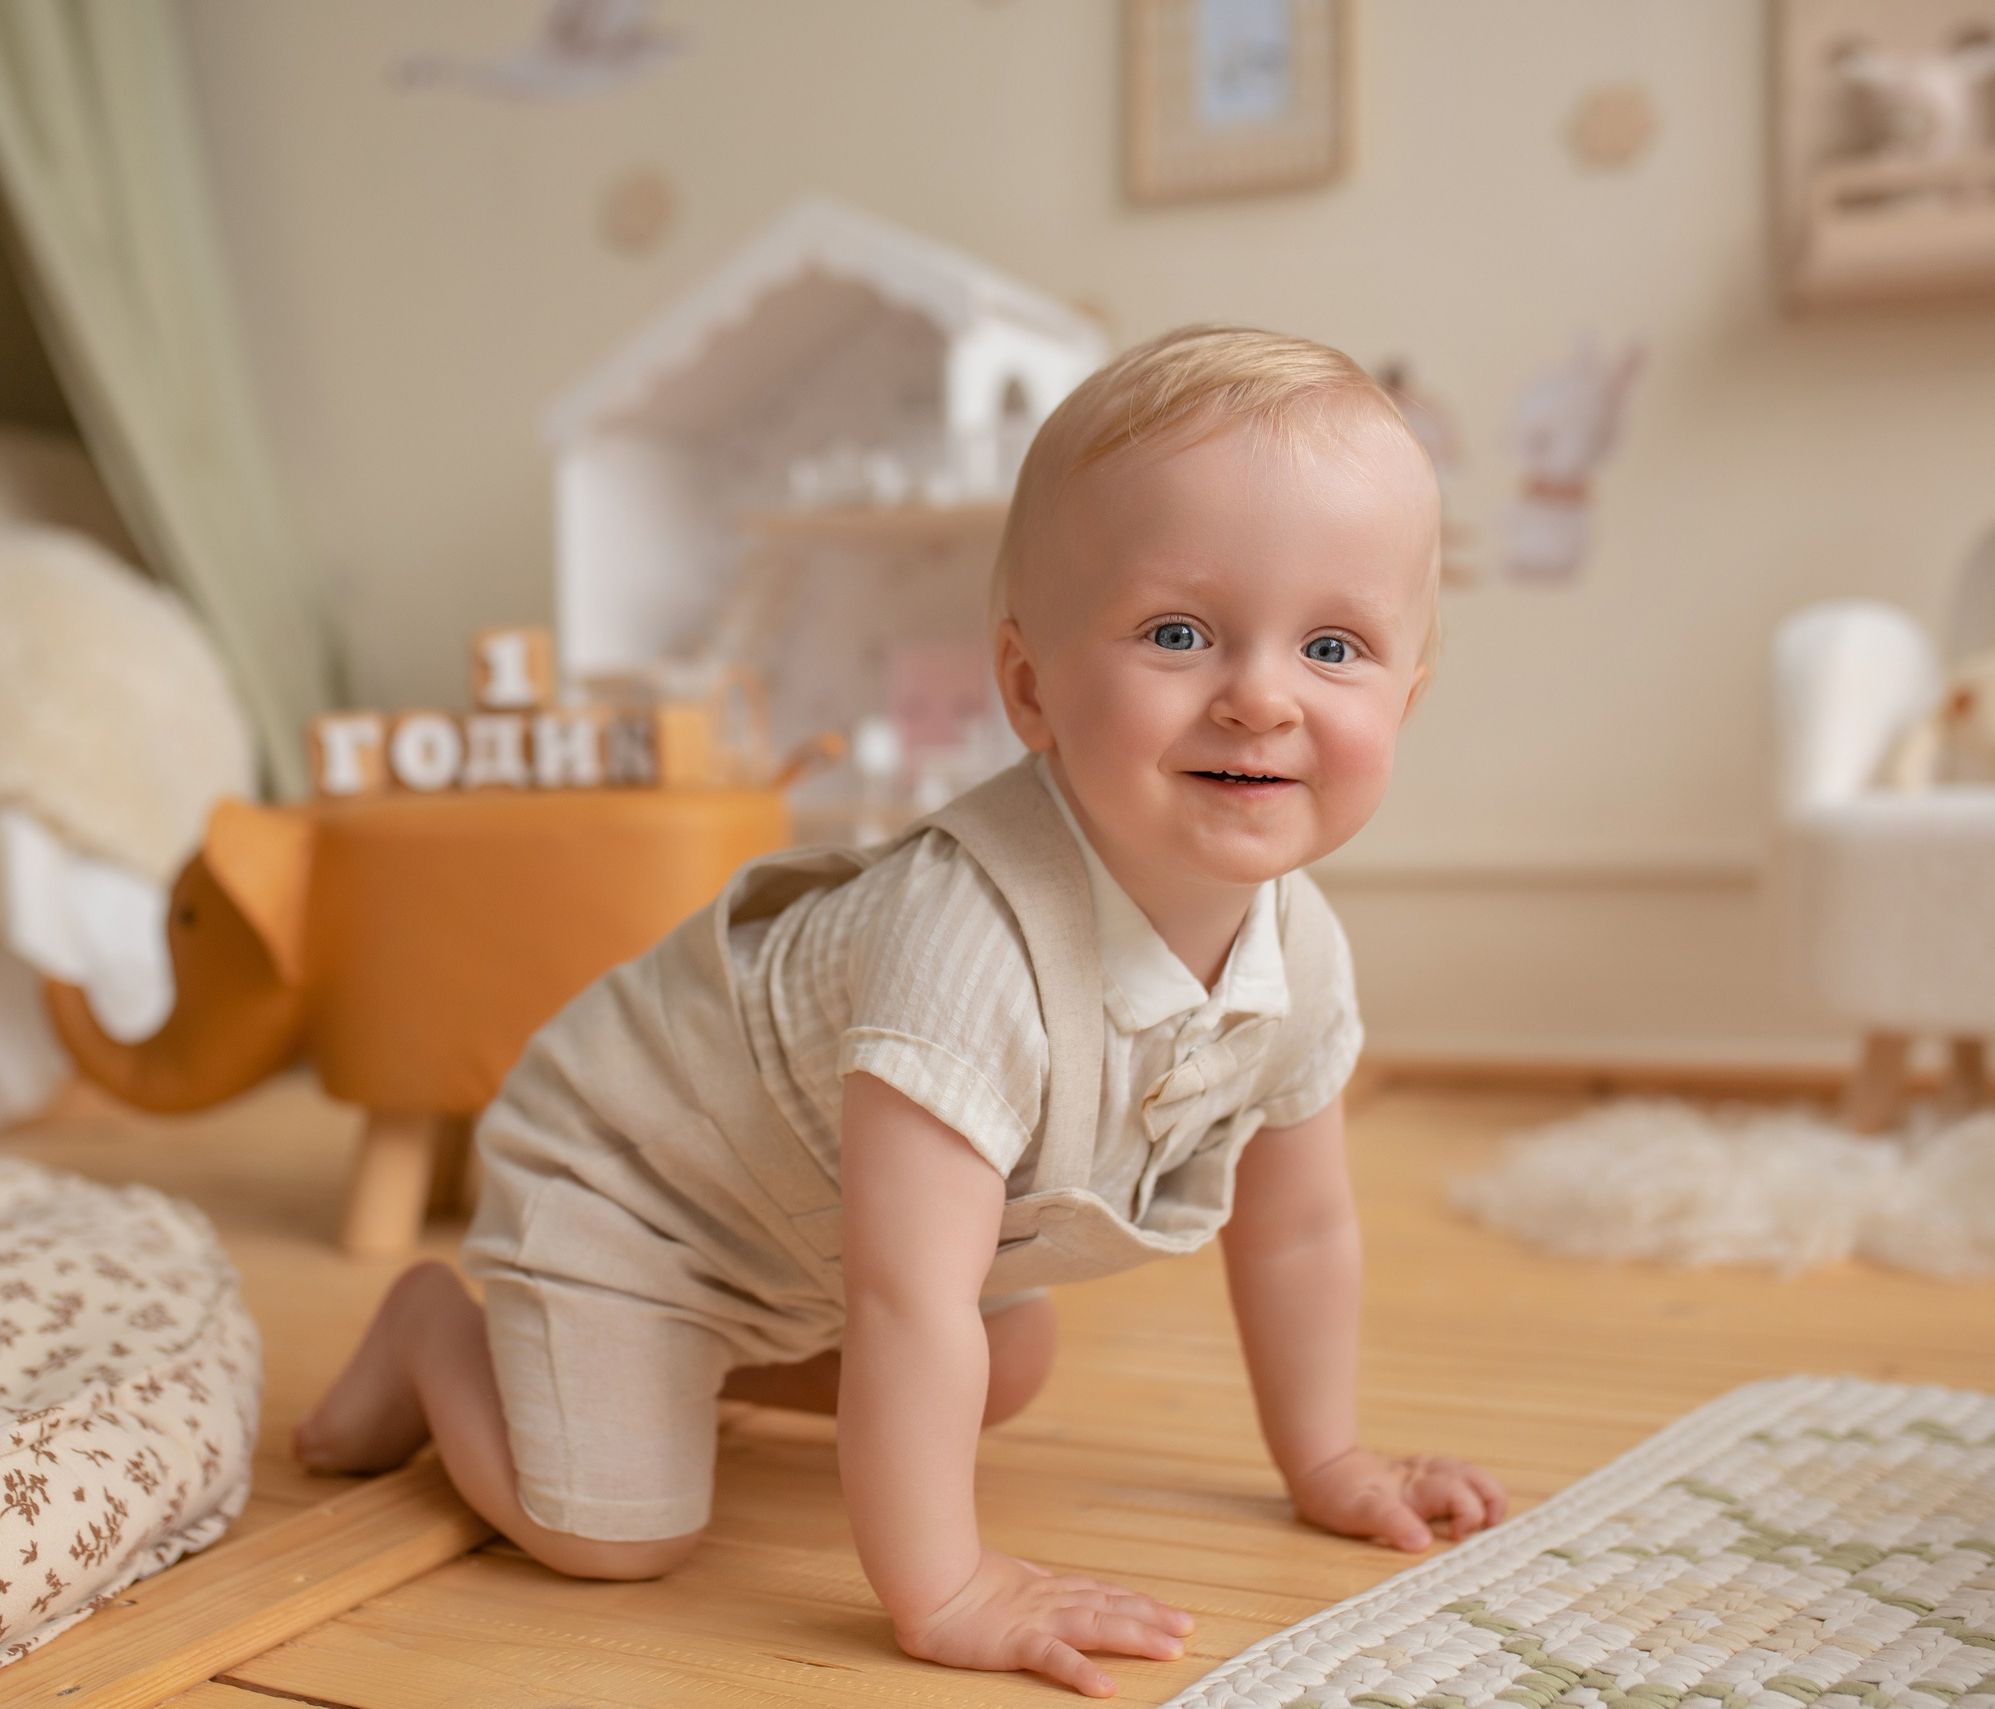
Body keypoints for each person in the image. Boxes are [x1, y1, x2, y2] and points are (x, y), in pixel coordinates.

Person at [296, 326, 1508, 1698]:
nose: (1261, 694)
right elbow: (904, 1291)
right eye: (1179, 631)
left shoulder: (1304, 952)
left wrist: (1329, 1457)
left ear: (1406, 696)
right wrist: (945, 1583)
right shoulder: (967, 945)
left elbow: (1299, 1227)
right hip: (636, 1190)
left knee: (1007, 1357)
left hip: (795, 1242)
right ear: (1030, 685)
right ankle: (438, 1330)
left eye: (1335, 645)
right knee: (613, 1533)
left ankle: (673, 1370)